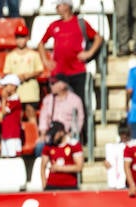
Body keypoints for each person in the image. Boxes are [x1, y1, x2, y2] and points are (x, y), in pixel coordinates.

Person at [41, 1, 101, 141]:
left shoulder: (80, 23)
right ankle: (57, 137)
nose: (57, 8)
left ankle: (85, 139)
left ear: (67, 6)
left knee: (82, 105)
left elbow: (98, 38)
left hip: (77, 71)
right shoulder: (54, 25)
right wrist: (45, 60)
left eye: (59, 5)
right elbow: (41, 43)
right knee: (57, 104)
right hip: (60, 73)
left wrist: (89, 53)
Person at [36, 74, 85, 152]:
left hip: (67, 134)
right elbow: (43, 119)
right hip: (51, 134)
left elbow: (80, 119)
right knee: (40, 146)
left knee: (70, 147)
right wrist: (42, 134)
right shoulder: (48, 100)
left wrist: (73, 133)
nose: (51, 86)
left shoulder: (75, 100)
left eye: (53, 83)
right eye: (50, 83)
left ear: (63, 84)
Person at [41, 119, 84, 189]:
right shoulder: (48, 146)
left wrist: (60, 168)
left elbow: (79, 167)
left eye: (54, 134)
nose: (52, 136)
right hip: (51, 185)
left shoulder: (74, 144)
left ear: (61, 132)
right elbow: (43, 166)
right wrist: (44, 185)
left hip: (69, 185)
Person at [0, 75, 24, 158]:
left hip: (13, 134)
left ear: (13, 86)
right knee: (5, 157)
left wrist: (3, 98)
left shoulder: (15, 100)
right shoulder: (9, 100)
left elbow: (4, 111)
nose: (4, 88)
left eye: (5, 86)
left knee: (13, 157)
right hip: (6, 133)